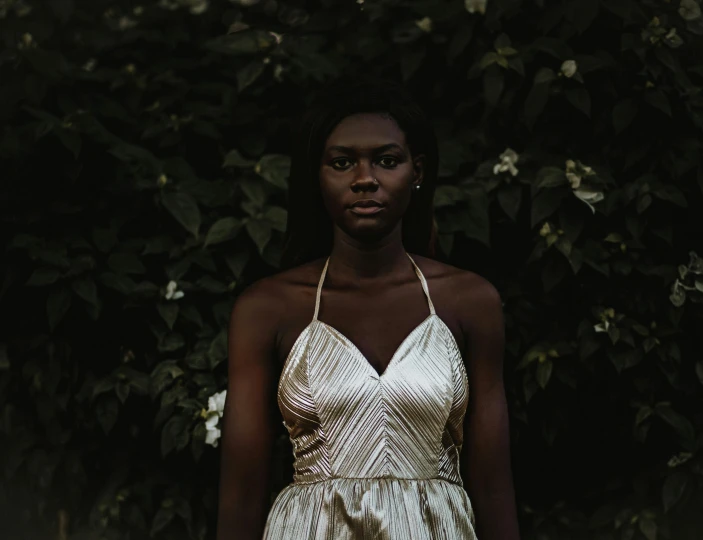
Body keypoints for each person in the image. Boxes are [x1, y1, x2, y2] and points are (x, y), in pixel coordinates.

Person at [216, 74, 520, 540]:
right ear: (317, 176)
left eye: (386, 160)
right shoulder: (267, 309)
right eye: (341, 163)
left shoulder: (469, 301)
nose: (364, 179)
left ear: (416, 171)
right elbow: (240, 492)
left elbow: (494, 486)